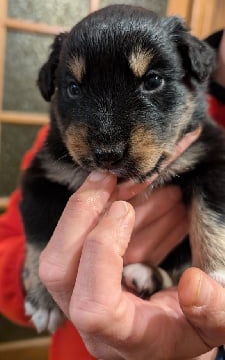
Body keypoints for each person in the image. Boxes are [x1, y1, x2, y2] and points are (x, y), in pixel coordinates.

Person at [0, 30, 225, 360]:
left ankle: (160, 276)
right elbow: (31, 207)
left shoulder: (202, 137)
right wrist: (39, 272)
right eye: (75, 89)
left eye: (151, 82)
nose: (107, 144)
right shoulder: (57, 148)